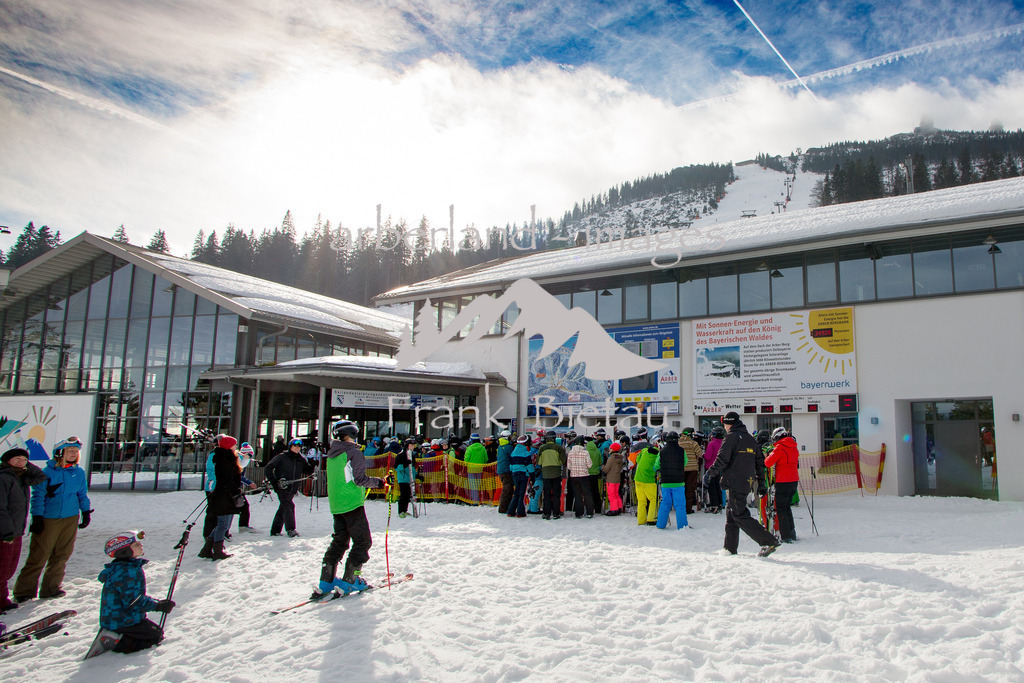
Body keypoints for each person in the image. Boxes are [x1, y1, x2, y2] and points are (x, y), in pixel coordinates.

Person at [13, 436, 92, 603]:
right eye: (69, 451)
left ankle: (51, 588)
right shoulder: (47, 472)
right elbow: (38, 495)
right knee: (39, 554)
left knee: (62, 554)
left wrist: (85, 511)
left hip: (70, 517)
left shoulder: (78, 472)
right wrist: (38, 517)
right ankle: (24, 591)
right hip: (49, 518)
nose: (73, 454)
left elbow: (81, 494)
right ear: (60, 453)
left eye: (75, 451)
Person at [317, 420, 390, 595]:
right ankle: (351, 579)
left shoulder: (333, 453)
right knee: (363, 541)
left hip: (337, 504)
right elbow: (359, 479)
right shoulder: (353, 452)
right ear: (353, 433)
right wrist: (381, 482)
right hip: (351, 503)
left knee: (339, 541)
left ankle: (326, 580)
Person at [705, 412, 780, 557]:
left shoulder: (732, 437)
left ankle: (768, 541)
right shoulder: (750, 439)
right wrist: (761, 483)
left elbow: (722, 459)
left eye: (724, 424)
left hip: (735, 481)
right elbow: (759, 462)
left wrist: (710, 473)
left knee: (739, 514)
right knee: (732, 515)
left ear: (728, 423)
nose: (724, 427)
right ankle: (729, 548)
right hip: (747, 481)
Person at [97, 530, 174, 653]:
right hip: (120, 621)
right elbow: (133, 600)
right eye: (136, 545)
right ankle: (116, 642)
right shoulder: (125, 572)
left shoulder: (127, 566)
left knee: (156, 632)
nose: (141, 546)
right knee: (155, 636)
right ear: (124, 551)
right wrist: (158, 605)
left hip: (128, 617)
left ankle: (120, 636)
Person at [0, 448, 46, 613]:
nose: (21, 462)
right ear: (7, 461)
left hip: (16, 530)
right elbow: (1, 507)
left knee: (9, 568)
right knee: (2, 568)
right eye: (16, 459)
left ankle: (2, 600)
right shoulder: (4, 477)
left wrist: (26, 464)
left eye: (23, 459)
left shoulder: (22, 478)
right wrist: (6, 531)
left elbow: (41, 477)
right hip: (5, 532)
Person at [198, 436, 242, 561]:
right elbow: (227, 480)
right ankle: (217, 550)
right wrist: (235, 492)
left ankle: (207, 549)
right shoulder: (225, 459)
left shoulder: (228, 458)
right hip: (224, 497)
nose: (236, 446)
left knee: (223, 524)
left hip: (226, 496)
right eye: (234, 444)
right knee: (223, 524)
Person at [265, 438, 315, 536]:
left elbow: (308, 471)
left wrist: (313, 462)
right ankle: (291, 529)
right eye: (295, 446)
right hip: (282, 487)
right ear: (290, 447)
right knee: (289, 505)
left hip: (292, 488)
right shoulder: (282, 457)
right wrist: (274, 481)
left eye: (299, 447)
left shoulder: (300, 459)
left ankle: (275, 530)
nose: (297, 448)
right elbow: (268, 468)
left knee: (283, 507)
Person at [765, 427, 800, 543]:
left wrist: (768, 455)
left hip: (783, 481)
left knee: (781, 509)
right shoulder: (794, 446)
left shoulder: (780, 448)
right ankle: (792, 532)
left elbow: (768, 462)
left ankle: (786, 536)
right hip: (793, 480)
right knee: (787, 507)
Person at [655, 432, 688, 530]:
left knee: (665, 504)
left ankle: (660, 525)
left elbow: (656, 465)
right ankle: (682, 526)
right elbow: (685, 463)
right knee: (680, 505)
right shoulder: (682, 451)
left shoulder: (662, 451)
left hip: (665, 482)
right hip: (679, 482)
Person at [536, 432, 566, 520]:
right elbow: (563, 461)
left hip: (546, 473)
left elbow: (539, 462)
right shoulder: (558, 448)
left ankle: (546, 513)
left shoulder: (542, 448)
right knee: (556, 494)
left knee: (547, 494)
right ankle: (556, 513)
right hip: (556, 473)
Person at [566, 436, 594, 518]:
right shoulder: (585, 453)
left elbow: (569, 466)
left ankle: (578, 513)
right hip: (584, 475)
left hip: (574, 476)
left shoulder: (571, 453)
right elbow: (589, 465)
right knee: (587, 494)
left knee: (577, 494)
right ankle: (589, 512)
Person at [507, 435, 533, 518]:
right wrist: (532, 475)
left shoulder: (513, 452)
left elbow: (510, 465)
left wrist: (512, 472)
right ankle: (520, 512)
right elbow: (529, 466)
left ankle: (511, 511)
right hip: (523, 474)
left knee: (516, 492)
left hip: (514, 473)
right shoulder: (526, 453)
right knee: (521, 493)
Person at [680, 428, 704, 514]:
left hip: (681, 468)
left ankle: (680, 508)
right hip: (692, 468)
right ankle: (688, 509)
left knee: (681, 488)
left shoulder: (678, 442)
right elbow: (700, 454)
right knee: (690, 488)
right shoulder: (693, 443)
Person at [703, 426, 725, 513]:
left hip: (710, 468)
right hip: (720, 468)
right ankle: (720, 503)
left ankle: (714, 505)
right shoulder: (724, 443)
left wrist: (703, 455)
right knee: (718, 486)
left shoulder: (712, 444)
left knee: (711, 487)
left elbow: (708, 457)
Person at [394, 439, 417, 518]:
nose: (412, 447)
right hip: (403, 478)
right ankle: (401, 511)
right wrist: (404, 464)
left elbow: (412, 468)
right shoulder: (401, 455)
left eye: (413, 446)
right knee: (403, 495)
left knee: (407, 495)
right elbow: (396, 467)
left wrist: (417, 475)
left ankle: (405, 510)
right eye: (411, 445)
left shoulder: (412, 456)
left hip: (409, 479)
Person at [601, 442, 624, 516]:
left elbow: (606, 469)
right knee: (616, 494)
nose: (609, 449)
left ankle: (614, 509)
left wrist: (602, 466)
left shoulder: (611, 459)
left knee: (611, 495)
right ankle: (619, 507)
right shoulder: (620, 458)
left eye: (610, 448)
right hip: (617, 479)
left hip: (610, 479)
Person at [495, 430, 514, 514]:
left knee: (507, 489)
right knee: (507, 489)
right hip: (506, 470)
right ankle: (503, 508)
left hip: (501, 470)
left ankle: (506, 507)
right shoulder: (508, 447)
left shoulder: (500, 446)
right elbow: (512, 457)